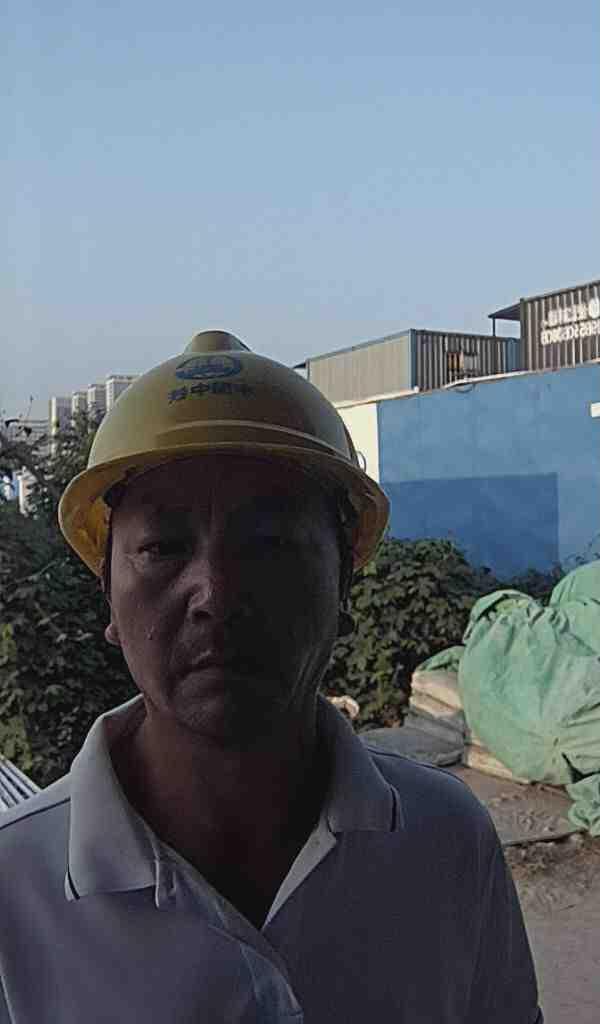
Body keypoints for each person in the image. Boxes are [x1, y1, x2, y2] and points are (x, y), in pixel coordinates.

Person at [0, 331, 543, 1022]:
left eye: (270, 545)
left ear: (343, 585)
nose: (216, 594)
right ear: (107, 594)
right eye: (163, 547)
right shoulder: (14, 892)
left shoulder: (446, 841)